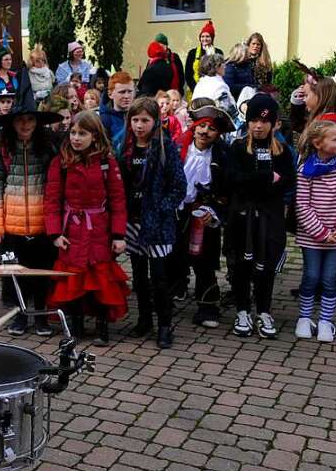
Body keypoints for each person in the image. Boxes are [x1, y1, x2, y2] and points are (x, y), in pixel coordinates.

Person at [45, 111, 130, 343]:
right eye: (73, 132)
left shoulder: (106, 162)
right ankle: (76, 326)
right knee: (72, 279)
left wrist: (118, 234)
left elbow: (118, 199)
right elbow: (52, 199)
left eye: (82, 133)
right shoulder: (61, 162)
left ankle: (102, 326)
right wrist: (54, 233)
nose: (76, 138)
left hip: (98, 230)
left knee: (100, 280)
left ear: (94, 135)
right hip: (71, 229)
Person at [0, 100, 61, 336]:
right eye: (20, 119)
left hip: (42, 225)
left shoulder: (48, 148)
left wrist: (55, 226)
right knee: (14, 273)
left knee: (41, 273)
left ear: (37, 122)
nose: (25, 124)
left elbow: (56, 187)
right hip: (12, 226)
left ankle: (40, 316)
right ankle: (19, 315)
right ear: (12, 123)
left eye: (30, 119)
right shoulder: (4, 149)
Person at [224, 94, 296, 338]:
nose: (258, 125)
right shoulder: (237, 148)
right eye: (253, 120)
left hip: (270, 216)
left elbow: (286, 182)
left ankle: (264, 310)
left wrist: (261, 183)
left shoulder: (283, 151)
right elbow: (233, 180)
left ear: (274, 123)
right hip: (242, 216)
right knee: (242, 265)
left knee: (265, 266)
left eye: (264, 121)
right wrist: (265, 178)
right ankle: (242, 310)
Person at [119, 97, 187, 349]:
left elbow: (179, 185)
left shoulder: (164, 147)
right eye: (135, 120)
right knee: (138, 275)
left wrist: (162, 209)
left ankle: (165, 325)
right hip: (133, 222)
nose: (139, 125)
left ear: (155, 121)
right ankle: (144, 319)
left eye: (144, 120)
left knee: (159, 276)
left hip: (157, 224)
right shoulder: (124, 147)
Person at [293, 119, 336, 343]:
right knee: (311, 276)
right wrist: (321, 233)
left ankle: (326, 320)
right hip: (312, 237)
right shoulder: (305, 169)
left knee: (330, 278)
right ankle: (304, 318)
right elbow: (302, 205)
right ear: (317, 143)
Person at [169, 106, 232, 327]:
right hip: (176, 211)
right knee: (172, 255)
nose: (205, 131)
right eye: (202, 126)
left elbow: (226, 191)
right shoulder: (177, 149)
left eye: (212, 129)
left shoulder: (223, 157)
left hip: (204, 214)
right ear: (194, 127)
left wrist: (214, 212)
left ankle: (208, 307)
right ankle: (172, 293)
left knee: (204, 261)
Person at [290, 77, 336, 170]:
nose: (304, 100)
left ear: (320, 96)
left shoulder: (317, 125)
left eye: (306, 95)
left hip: (319, 181)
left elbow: (305, 162)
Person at [99, 71, 135, 150]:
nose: (127, 96)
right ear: (110, 94)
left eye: (130, 91)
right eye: (122, 92)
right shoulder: (103, 120)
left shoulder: (141, 115)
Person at [184, 21, 223, 93]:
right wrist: (196, 89)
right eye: (202, 36)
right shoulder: (192, 53)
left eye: (207, 36)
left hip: (214, 88)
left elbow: (220, 71)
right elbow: (188, 74)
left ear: (212, 38)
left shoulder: (218, 52)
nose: (204, 39)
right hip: (195, 89)